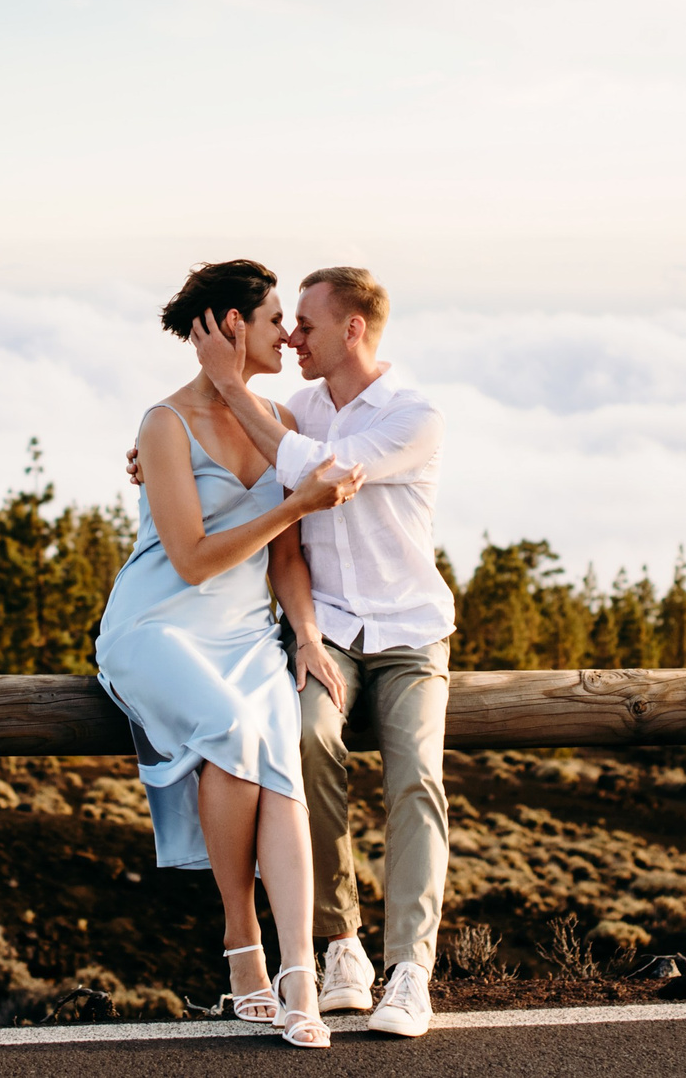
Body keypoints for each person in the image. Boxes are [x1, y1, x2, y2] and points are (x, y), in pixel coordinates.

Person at [134, 265, 451, 1039]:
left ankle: (410, 968)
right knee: (302, 740)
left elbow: (326, 476)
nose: (292, 336)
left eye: (304, 324)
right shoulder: (296, 404)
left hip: (409, 629)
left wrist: (227, 386)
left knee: (416, 776)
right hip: (330, 629)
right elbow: (215, 451)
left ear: (352, 330)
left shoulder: (414, 415)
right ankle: (340, 946)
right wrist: (159, 452)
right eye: (285, 322)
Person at [94, 258, 364, 1051]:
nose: (286, 333)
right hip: (159, 627)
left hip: (248, 635)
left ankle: (299, 980)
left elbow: (287, 557)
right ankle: (242, 945)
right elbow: (194, 558)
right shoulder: (163, 424)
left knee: (275, 756)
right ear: (226, 326)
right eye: (275, 318)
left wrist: (307, 637)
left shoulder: (277, 415)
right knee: (238, 734)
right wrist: (295, 504)